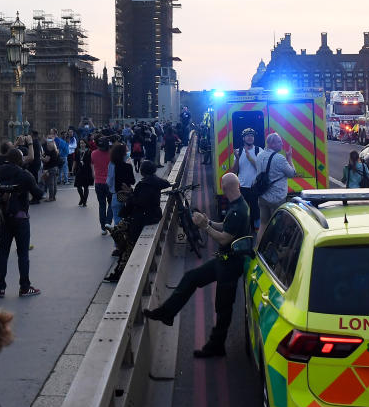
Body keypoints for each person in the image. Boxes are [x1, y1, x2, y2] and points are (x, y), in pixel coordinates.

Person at [142, 173, 251, 358]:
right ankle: (166, 313)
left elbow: (224, 238)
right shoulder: (239, 204)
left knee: (223, 307)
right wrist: (207, 221)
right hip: (224, 261)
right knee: (191, 278)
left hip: (230, 265)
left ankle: (216, 347)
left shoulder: (238, 211)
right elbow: (224, 226)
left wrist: (204, 227)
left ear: (225, 188)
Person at [104, 160, 170, 283]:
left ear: (142, 171)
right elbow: (165, 185)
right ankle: (118, 242)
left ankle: (119, 271)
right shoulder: (156, 182)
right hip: (152, 215)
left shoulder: (144, 184)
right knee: (120, 231)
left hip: (142, 218)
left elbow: (139, 202)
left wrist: (130, 194)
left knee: (126, 243)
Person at [0, 149, 43, 298]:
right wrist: (40, 181)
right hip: (21, 217)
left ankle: (0, 288)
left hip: (4, 217)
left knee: (3, 254)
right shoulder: (24, 175)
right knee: (23, 254)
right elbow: (38, 194)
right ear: (20, 160)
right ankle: (25, 287)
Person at [256, 132, 297, 230]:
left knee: (263, 224)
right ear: (271, 144)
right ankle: (275, 244)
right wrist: (289, 158)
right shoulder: (279, 158)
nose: (282, 144)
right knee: (279, 226)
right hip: (277, 198)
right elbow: (292, 173)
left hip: (262, 196)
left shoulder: (260, 155)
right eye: (279, 142)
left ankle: (259, 245)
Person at [230, 128, 263, 229]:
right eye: (248, 136)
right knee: (243, 212)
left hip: (255, 187)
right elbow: (234, 171)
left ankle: (257, 235)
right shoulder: (238, 151)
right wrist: (237, 159)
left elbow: (260, 169)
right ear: (243, 138)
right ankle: (245, 231)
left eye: (252, 136)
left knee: (257, 212)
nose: (250, 138)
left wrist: (250, 158)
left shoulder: (259, 150)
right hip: (242, 187)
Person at [107, 142, 135, 228]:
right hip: (128, 196)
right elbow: (132, 181)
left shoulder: (112, 165)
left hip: (117, 195)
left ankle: (119, 240)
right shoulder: (128, 166)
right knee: (129, 219)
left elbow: (109, 181)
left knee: (117, 221)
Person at [90, 137, 113, 234]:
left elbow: (92, 165)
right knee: (112, 203)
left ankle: (103, 228)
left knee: (102, 204)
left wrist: (93, 174)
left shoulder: (93, 153)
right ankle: (108, 222)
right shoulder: (111, 154)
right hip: (109, 182)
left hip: (98, 182)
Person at [72, 140, 94, 207]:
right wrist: (73, 168)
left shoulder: (89, 151)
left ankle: (84, 202)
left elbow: (91, 163)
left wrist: (93, 172)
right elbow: (75, 161)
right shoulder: (77, 151)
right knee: (78, 186)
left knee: (86, 186)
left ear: (86, 143)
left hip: (87, 170)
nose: (82, 144)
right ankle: (82, 198)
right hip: (79, 170)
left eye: (83, 143)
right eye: (80, 143)